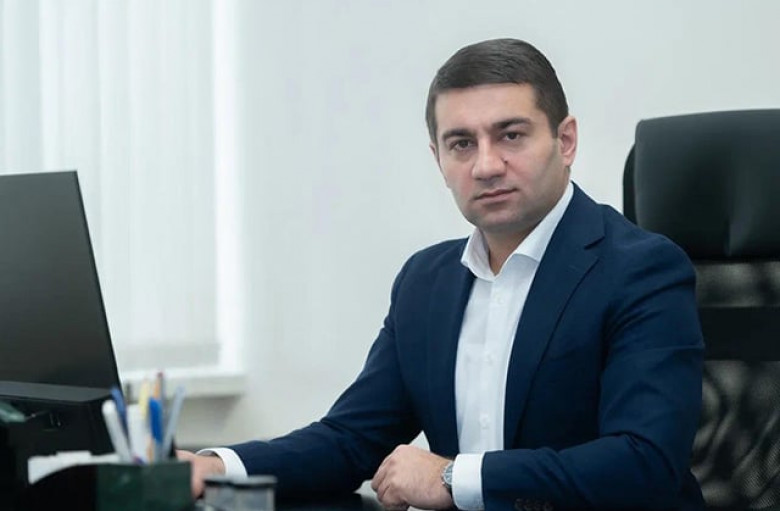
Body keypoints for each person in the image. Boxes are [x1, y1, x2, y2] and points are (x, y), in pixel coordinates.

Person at [180, 38, 705, 510]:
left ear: (565, 141)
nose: (486, 165)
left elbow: (643, 462)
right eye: (461, 144)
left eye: (510, 135)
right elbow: (352, 439)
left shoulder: (641, 270)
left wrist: (454, 478)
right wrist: (216, 467)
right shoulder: (425, 281)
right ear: (438, 159)